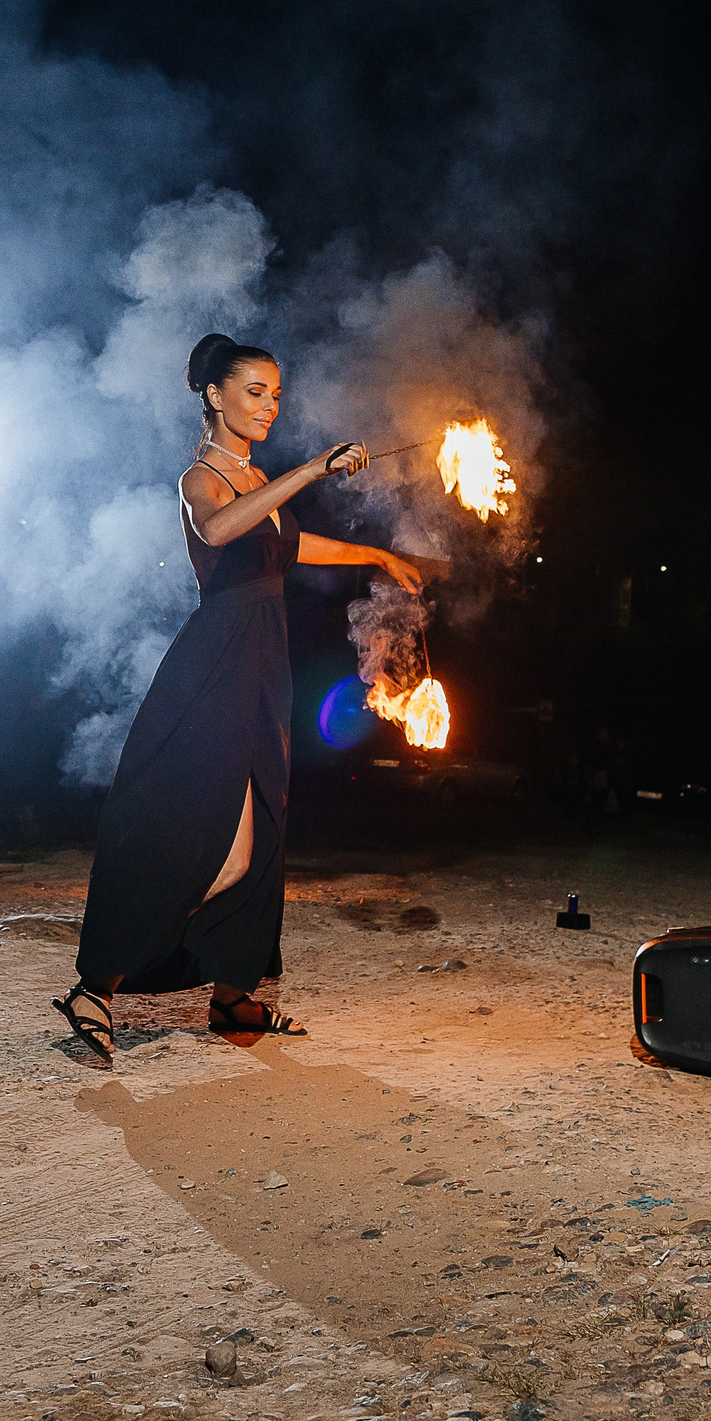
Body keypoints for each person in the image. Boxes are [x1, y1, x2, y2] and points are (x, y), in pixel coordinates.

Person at [53, 332, 426, 1060]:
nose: (269, 406)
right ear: (215, 395)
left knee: (255, 842)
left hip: (263, 665)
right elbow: (223, 527)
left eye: (277, 394)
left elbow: (294, 546)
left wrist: (379, 553)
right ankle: (94, 987)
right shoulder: (202, 480)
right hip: (215, 663)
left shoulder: (258, 482)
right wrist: (310, 469)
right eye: (255, 391)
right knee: (192, 832)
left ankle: (231, 997)